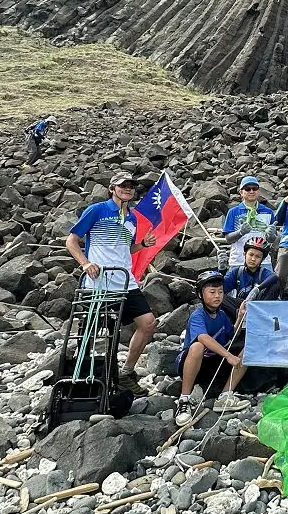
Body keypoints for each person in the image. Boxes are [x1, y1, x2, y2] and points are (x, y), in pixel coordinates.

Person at [66, 170, 158, 396]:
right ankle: (83, 381)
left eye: (131, 186)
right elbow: (72, 240)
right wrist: (85, 264)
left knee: (148, 323)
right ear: (112, 188)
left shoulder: (133, 217)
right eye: (122, 185)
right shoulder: (97, 210)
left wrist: (143, 245)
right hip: (99, 283)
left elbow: (125, 248)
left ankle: (126, 372)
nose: (127, 189)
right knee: (90, 333)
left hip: (125, 280)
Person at [174, 272, 249, 425]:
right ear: (201, 295)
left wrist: (240, 317)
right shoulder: (198, 315)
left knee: (248, 350)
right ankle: (184, 400)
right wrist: (228, 355)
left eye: (220, 292)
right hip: (192, 364)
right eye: (212, 292)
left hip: (213, 363)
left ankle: (225, 396)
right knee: (197, 346)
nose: (217, 296)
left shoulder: (221, 315)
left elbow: (232, 336)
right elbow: (202, 337)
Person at [222, 176, 277, 270]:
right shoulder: (233, 212)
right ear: (241, 192)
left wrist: (271, 235)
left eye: (254, 188)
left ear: (258, 191)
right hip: (238, 262)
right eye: (247, 189)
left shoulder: (268, 212)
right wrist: (240, 232)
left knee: (268, 285)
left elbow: (272, 240)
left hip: (263, 262)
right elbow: (228, 239)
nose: (251, 191)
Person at [222, 237, 275, 306]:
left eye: (258, 256)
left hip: (259, 308)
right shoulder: (237, 272)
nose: (253, 259)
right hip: (240, 307)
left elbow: (275, 278)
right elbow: (220, 288)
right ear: (244, 254)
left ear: (263, 259)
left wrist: (258, 289)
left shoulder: (264, 273)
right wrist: (222, 270)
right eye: (251, 254)